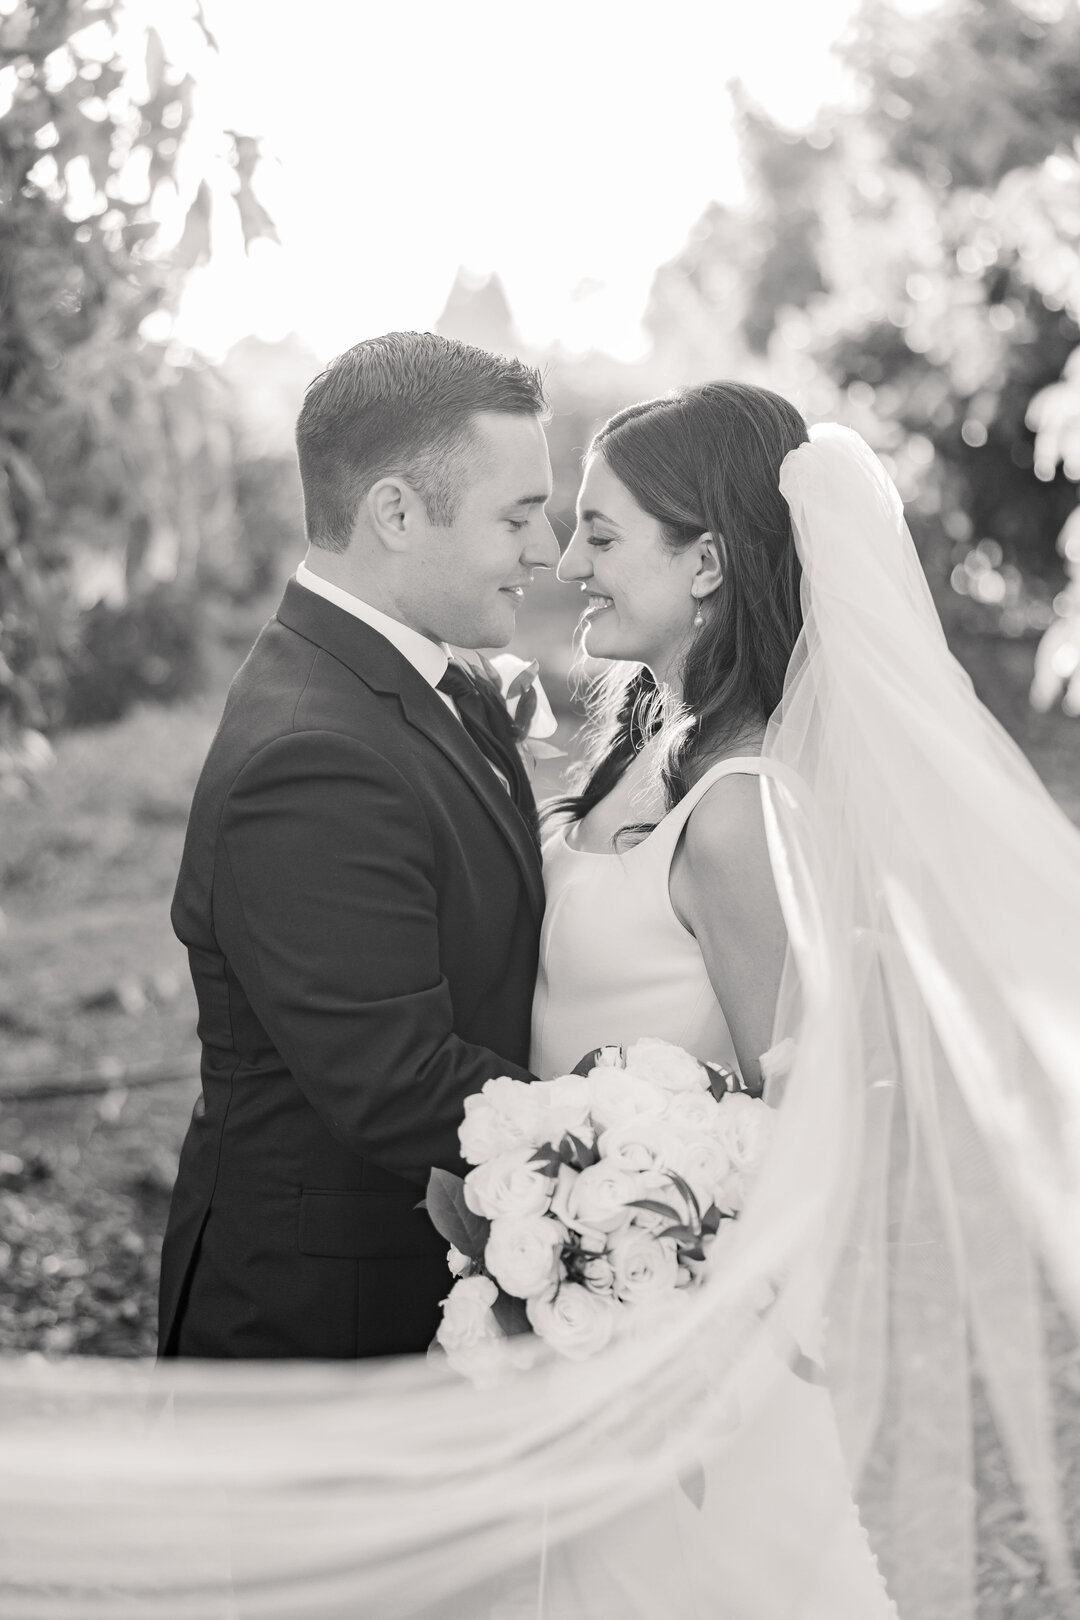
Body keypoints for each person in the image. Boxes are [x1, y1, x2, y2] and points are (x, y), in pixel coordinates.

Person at [158, 331, 558, 1360]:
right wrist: (643, 1125)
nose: (545, 547)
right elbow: (397, 1080)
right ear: (394, 511)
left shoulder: (432, 682)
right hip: (324, 1329)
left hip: (438, 1286)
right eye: (517, 516)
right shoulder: (311, 755)